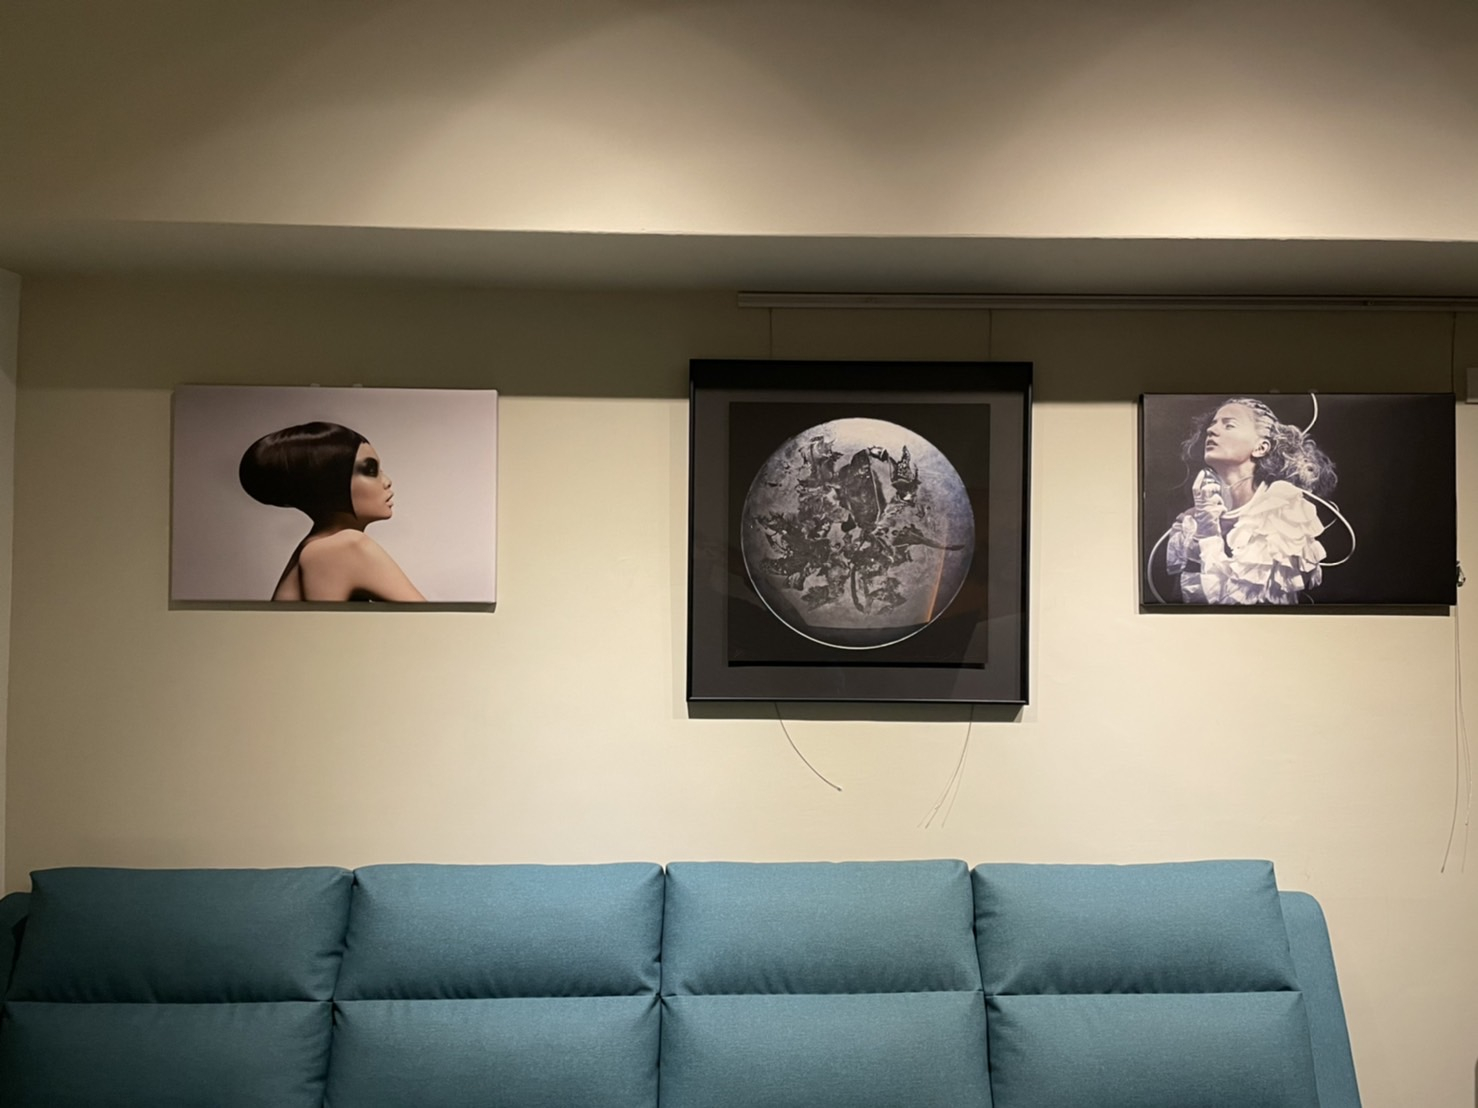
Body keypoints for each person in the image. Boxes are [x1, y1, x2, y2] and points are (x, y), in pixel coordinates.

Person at [1166, 398, 1336, 605]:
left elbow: (1247, 605)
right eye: (1212, 424)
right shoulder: (1192, 521)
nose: (1211, 430)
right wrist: (1200, 531)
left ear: (1261, 447)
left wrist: (1208, 536)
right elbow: (1179, 605)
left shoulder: (1285, 514)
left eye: (1229, 425)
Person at [238, 421, 426, 602]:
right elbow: (431, 619)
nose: (387, 481)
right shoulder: (341, 546)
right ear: (329, 483)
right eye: (370, 470)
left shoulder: (318, 544)